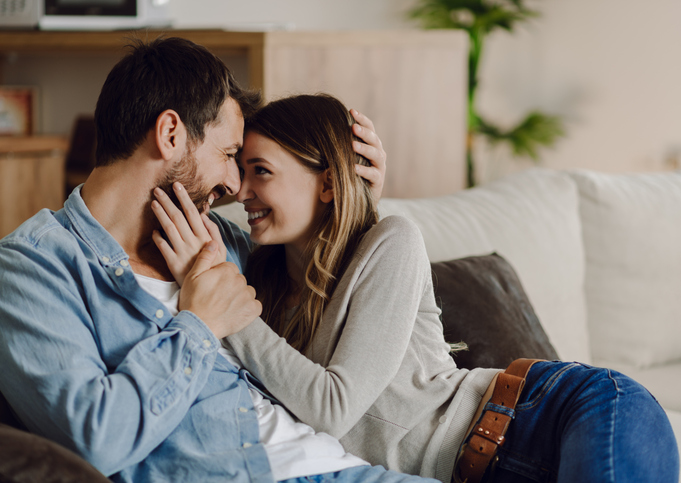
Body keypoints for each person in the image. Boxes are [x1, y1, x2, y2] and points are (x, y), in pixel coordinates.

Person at [154, 94, 680, 483]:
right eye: (239, 170)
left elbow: (334, 407)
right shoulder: (262, 287)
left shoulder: (390, 242)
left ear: (330, 182)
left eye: (260, 171)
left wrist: (227, 306)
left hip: (558, 414)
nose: (240, 191)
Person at [0, 37, 440, 483]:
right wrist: (200, 324)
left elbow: (330, 289)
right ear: (170, 133)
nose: (235, 185)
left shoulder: (223, 239)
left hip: (346, 466)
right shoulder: (33, 269)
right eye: (229, 155)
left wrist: (352, 195)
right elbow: (95, 440)